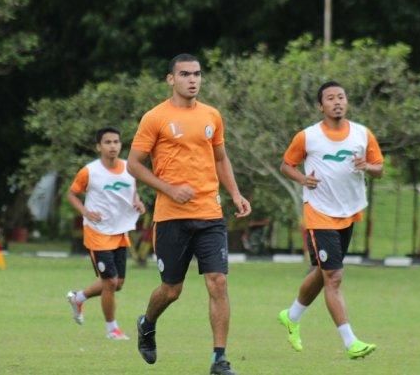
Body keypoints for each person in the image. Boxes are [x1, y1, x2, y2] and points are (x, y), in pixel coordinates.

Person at [127, 53, 251, 375]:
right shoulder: (154, 118)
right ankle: (148, 322)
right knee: (171, 289)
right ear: (171, 79)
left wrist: (235, 194)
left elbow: (221, 158)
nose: (192, 79)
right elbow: (134, 164)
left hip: (209, 212)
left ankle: (219, 359)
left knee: (218, 281)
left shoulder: (212, 115)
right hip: (171, 217)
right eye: (185, 74)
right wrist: (169, 189)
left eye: (196, 74)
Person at [277, 81, 384, 359]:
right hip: (319, 212)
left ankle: (291, 315)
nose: (337, 102)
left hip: (349, 212)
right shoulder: (308, 137)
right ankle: (351, 343)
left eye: (341, 97)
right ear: (320, 105)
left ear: (346, 102)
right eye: (330, 98)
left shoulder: (362, 134)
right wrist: (303, 179)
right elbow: (286, 165)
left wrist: (367, 166)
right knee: (334, 276)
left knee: (322, 272)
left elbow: (379, 169)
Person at [65, 127, 146, 340]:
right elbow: (71, 194)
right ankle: (112, 330)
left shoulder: (130, 168)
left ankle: (78, 298)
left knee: (117, 284)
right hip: (97, 232)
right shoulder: (89, 171)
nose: (113, 146)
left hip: (120, 232)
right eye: (107, 142)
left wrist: (137, 202)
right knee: (109, 282)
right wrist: (85, 212)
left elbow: (132, 192)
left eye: (116, 142)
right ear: (99, 146)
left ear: (121, 145)